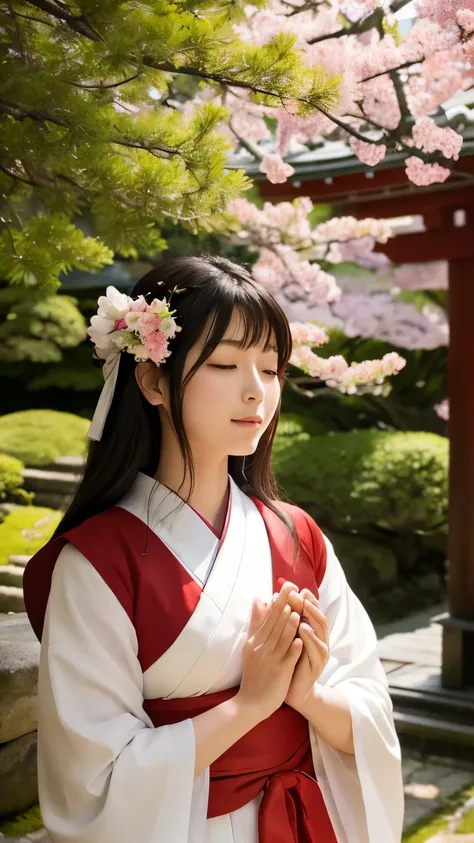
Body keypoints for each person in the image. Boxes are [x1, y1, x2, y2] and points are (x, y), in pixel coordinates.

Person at [23, 255, 404, 843]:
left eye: (271, 369)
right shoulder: (98, 563)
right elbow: (91, 783)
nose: (256, 391)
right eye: (225, 363)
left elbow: (371, 711)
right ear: (152, 380)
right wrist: (250, 706)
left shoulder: (298, 535)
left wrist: (306, 695)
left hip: (302, 820)